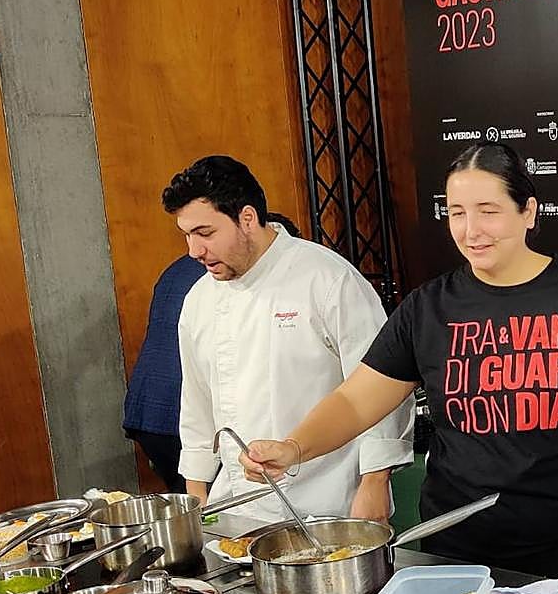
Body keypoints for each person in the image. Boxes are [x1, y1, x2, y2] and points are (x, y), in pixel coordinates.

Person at [238, 143, 558, 594]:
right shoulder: (428, 308)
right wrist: (295, 447)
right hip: (461, 547)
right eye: (457, 213)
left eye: (488, 211)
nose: (471, 231)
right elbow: (356, 399)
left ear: (528, 212)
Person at [165, 155, 413, 522]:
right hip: (237, 506)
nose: (194, 251)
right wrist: (196, 498)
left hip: (330, 503)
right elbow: (197, 405)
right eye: (187, 235)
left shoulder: (327, 279)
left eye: (205, 234)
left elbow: (382, 387)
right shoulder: (199, 299)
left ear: (247, 218)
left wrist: (375, 482)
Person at [123, 254, 206, 492]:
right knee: (211, 512)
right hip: (180, 409)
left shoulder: (177, 269)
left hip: (147, 406)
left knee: (188, 503)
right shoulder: (222, 273)